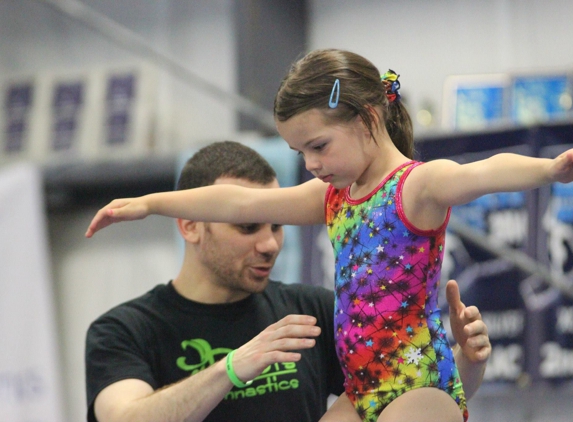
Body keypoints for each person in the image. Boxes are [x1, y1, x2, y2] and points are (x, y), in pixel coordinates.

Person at [82, 44, 528, 420]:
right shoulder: (126, 329)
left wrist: (552, 169)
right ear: (190, 228)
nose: (311, 164)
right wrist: (148, 204)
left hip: (412, 376)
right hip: (364, 388)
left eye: (318, 147)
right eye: (301, 152)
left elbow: (483, 172)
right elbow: (239, 200)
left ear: (366, 118)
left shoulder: (412, 188)